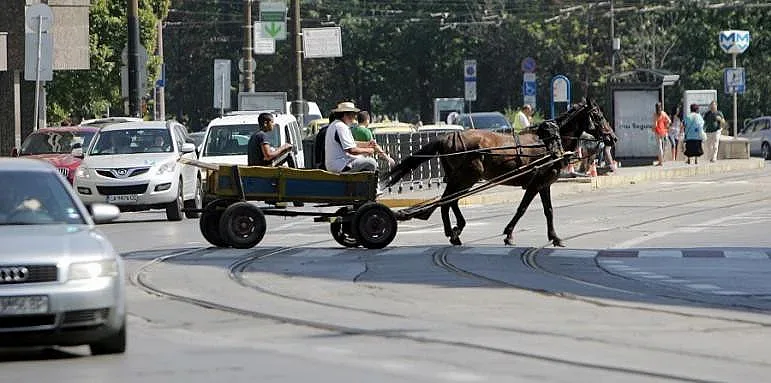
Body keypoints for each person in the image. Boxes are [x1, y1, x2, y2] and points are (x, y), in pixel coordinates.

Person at [324, 102, 382, 173]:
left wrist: (367, 144)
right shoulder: (341, 126)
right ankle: (362, 184)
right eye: (353, 114)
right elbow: (352, 150)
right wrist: (369, 150)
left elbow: (352, 144)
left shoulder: (335, 124)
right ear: (345, 115)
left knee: (363, 159)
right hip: (340, 165)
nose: (355, 117)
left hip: (336, 164)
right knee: (371, 162)